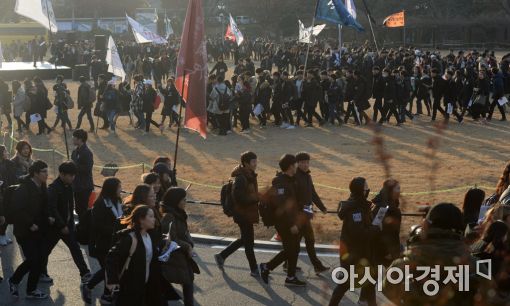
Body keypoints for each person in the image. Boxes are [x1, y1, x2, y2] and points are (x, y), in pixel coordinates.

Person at [383, 203, 493, 305]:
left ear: (426, 226)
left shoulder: (403, 265)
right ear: (460, 229)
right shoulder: (475, 266)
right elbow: (492, 298)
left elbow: (385, 294)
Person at [329, 177, 377, 306]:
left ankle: (367, 302)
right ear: (360, 190)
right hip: (353, 254)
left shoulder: (359, 204)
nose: (368, 189)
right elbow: (359, 233)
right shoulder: (355, 209)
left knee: (370, 281)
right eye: (366, 187)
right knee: (344, 284)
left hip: (362, 252)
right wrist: (375, 229)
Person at [260, 154, 306, 286]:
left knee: (294, 248)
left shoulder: (290, 179)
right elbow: (282, 208)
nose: (297, 166)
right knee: (290, 249)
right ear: (291, 166)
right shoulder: (281, 183)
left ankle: (290, 277)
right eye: (296, 164)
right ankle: (267, 266)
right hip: (285, 223)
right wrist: (292, 224)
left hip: (293, 220)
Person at [44, 161, 91, 286]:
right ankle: (41, 272)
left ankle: (85, 273)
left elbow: (71, 207)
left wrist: (71, 223)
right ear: (62, 174)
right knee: (45, 251)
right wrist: (61, 225)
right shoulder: (54, 188)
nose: (72, 178)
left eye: (74, 175)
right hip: (55, 227)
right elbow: (52, 209)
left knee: (75, 248)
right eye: (70, 175)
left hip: (67, 225)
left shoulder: (69, 186)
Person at [8, 160, 50, 299]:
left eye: (47, 171)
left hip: (39, 229)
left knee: (38, 260)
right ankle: (14, 280)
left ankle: (31, 290)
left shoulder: (42, 186)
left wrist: (49, 218)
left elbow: (44, 206)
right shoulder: (24, 188)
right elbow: (17, 210)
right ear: (35, 173)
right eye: (44, 171)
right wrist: (30, 223)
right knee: (33, 259)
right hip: (24, 231)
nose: (47, 174)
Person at [105, 205, 163, 306]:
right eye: (151, 216)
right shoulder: (130, 239)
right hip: (129, 288)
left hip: (144, 286)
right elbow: (111, 257)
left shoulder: (149, 236)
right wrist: (112, 281)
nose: (154, 219)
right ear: (141, 219)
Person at [215, 151, 260, 276]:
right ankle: (254, 269)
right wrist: (256, 198)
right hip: (242, 214)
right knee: (249, 243)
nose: (256, 164)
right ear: (246, 163)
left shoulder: (249, 175)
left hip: (247, 213)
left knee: (245, 240)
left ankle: (222, 256)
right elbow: (239, 198)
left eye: (256, 161)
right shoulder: (241, 178)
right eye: (253, 162)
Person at [82, 177, 123, 305]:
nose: (121, 189)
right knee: (108, 269)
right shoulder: (100, 204)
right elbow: (98, 226)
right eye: (119, 187)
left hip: (114, 242)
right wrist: (116, 230)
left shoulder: (118, 201)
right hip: (101, 243)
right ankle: (92, 287)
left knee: (110, 269)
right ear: (112, 189)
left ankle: (104, 293)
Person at [293, 152, 329, 274]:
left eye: (307, 162)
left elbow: (313, 194)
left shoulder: (307, 176)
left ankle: (287, 264)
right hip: (299, 216)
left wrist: (322, 207)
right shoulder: (295, 177)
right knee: (309, 240)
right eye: (302, 162)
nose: (305, 165)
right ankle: (317, 266)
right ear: (297, 163)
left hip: (306, 214)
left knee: (297, 242)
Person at [160, 187, 196, 306]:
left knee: (187, 283)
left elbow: (184, 233)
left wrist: (189, 243)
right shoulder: (169, 216)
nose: (186, 202)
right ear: (176, 201)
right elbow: (170, 238)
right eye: (183, 199)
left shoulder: (179, 213)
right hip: (174, 256)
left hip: (181, 256)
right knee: (186, 283)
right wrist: (187, 246)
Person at [371, 179, 402, 267]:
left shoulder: (393, 205)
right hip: (384, 253)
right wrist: (386, 251)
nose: (399, 192)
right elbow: (376, 230)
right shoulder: (382, 209)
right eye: (397, 189)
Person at [71, 129, 94, 222]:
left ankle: (84, 228)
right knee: (78, 209)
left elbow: (88, 168)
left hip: (84, 186)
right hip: (76, 185)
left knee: (82, 209)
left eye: (74, 138)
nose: (72, 139)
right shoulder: (75, 151)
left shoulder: (87, 152)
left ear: (80, 139)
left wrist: (74, 166)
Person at [0, 145, 17, 246]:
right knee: (2, 215)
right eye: (5, 151)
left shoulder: (9, 163)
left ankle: (3, 234)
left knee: (7, 215)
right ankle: (1, 235)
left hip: (9, 191)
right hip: (1, 193)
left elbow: (13, 177)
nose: (7, 153)